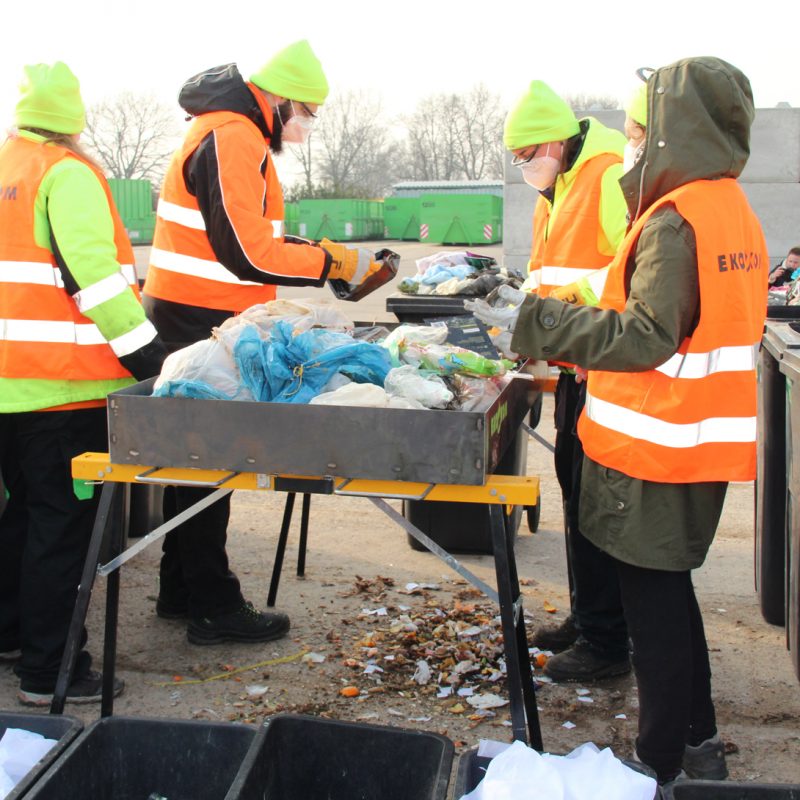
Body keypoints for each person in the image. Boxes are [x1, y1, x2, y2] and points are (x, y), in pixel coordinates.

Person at [475, 56, 766, 786]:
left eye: (639, 129)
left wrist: (533, 320)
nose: (630, 141)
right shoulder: (724, 205)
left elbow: (644, 336)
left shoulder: (674, 223)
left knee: (655, 608)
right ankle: (697, 741)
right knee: (669, 594)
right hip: (691, 441)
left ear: (673, 132)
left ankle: (662, 760)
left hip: (658, 444)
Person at [142, 40, 380, 646]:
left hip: (202, 312)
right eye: (306, 112)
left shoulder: (232, 134)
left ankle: (182, 589)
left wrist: (319, 259)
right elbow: (245, 252)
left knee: (194, 464)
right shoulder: (231, 135)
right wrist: (334, 262)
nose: (306, 126)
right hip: (197, 317)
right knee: (210, 462)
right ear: (275, 100)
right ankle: (214, 606)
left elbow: (254, 234)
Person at [0, 62, 167, 705]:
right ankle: (50, 672)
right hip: (63, 392)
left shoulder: (9, 167)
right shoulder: (65, 175)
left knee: (21, 518)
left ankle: (11, 635)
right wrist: (152, 361)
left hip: (11, 388)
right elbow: (95, 281)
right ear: (77, 125)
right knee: (62, 530)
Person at [502, 79, 630, 681]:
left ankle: (608, 643)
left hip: (603, 364)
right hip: (572, 363)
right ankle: (589, 617)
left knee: (595, 503)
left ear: (553, 140)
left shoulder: (605, 175)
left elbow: (629, 270)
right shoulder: (557, 188)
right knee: (575, 494)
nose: (525, 168)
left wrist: (566, 309)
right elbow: (542, 274)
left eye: (527, 155)